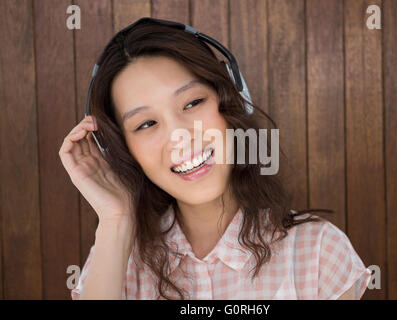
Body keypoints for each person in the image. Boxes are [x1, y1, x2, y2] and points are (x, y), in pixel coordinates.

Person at [58, 20, 372, 300]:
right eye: (146, 124)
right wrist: (116, 221)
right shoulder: (115, 261)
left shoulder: (318, 253)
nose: (181, 135)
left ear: (232, 100)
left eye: (193, 102)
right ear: (123, 151)